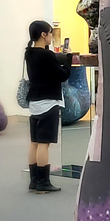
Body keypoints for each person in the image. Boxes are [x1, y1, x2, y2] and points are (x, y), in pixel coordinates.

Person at [24, 19, 75, 193]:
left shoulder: (29, 53)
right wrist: (69, 58)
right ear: (43, 34)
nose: (52, 37)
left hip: (34, 102)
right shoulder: (47, 55)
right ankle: (43, 182)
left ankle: (34, 181)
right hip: (49, 103)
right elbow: (63, 75)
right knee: (44, 144)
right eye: (50, 33)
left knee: (34, 143)